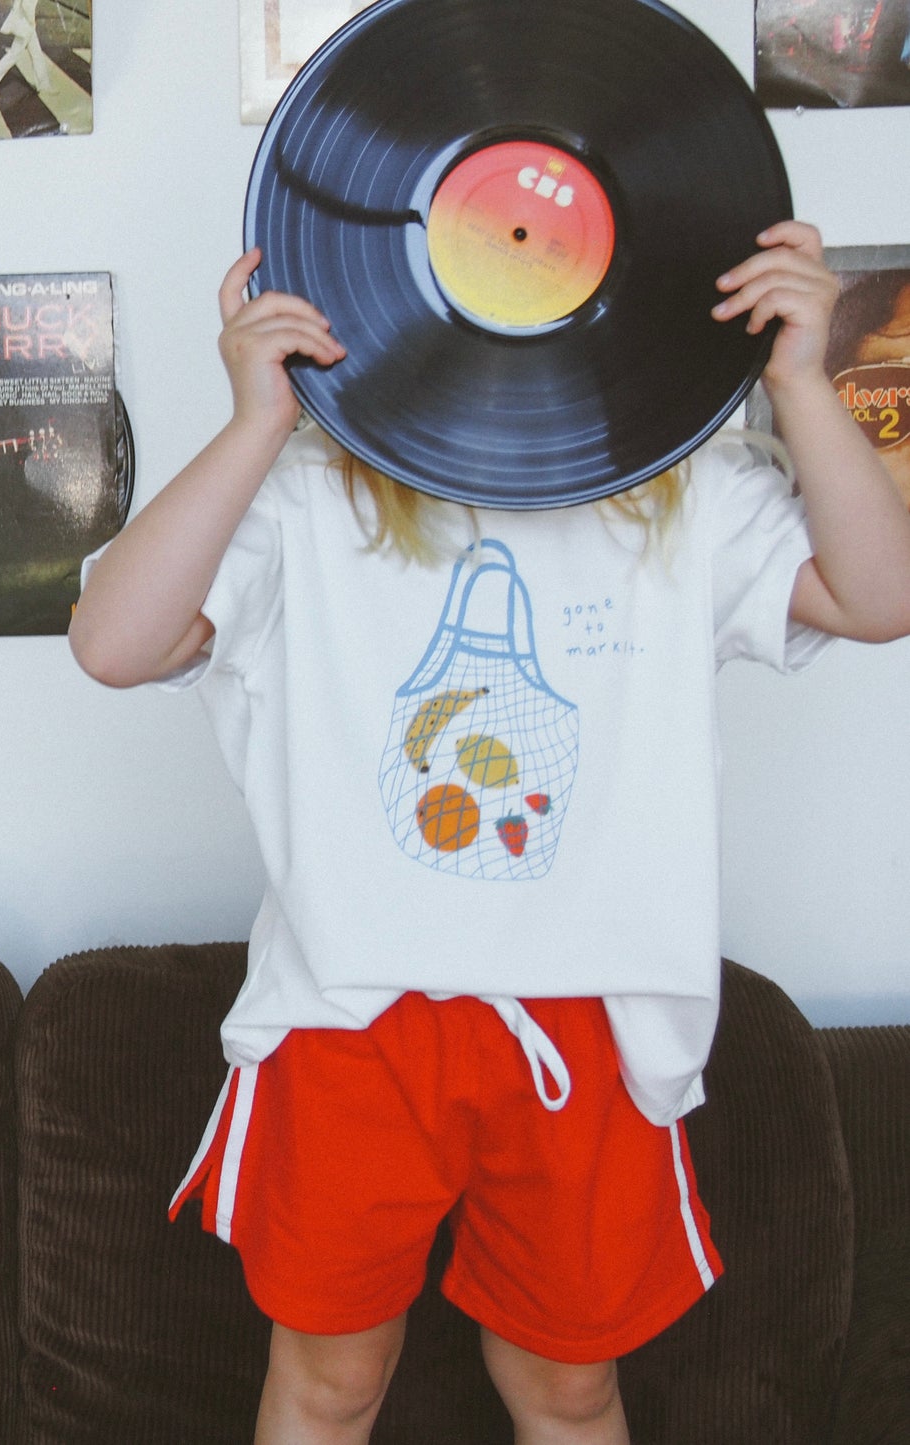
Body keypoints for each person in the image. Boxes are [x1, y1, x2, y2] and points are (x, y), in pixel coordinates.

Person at [68, 219, 910, 1443]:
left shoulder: (690, 490)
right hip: (352, 1020)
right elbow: (111, 643)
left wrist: (794, 379)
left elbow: (879, 599)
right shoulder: (305, 495)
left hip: (597, 1020)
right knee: (329, 1381)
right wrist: (256, 419)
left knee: (567, 1387)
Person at [0, 0, 49, 99]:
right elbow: (27, 5)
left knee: (36, 53)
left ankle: (44, 84)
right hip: (26, 24)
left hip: (25, 22)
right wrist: (32, 20)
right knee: (14, 55)